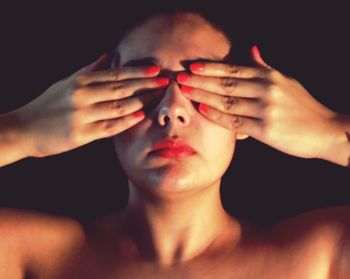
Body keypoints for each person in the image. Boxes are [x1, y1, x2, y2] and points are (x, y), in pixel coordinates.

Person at [0, 9, 349, 279]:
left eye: (204, 86)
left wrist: (331, 131)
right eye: (143, 85)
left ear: (249, 108)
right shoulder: (29, 254)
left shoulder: (321, 255)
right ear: (94, 101)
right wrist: (20, 130)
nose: (172, 110)